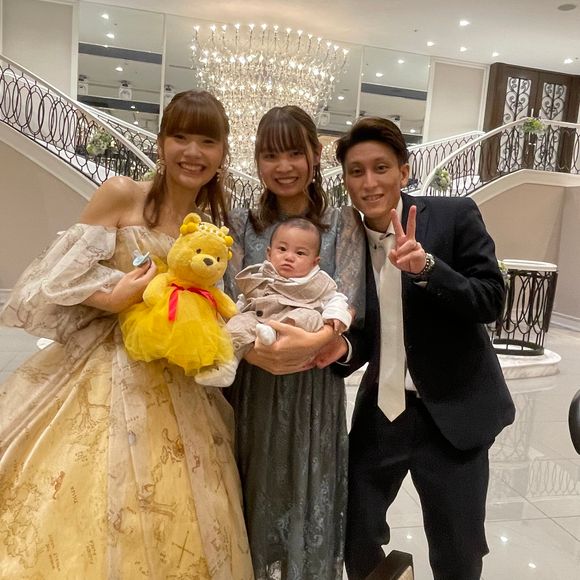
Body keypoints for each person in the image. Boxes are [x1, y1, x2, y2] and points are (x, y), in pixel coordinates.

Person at [0, 90, 254, 579]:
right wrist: (114, 296)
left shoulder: (208, 227)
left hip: (180, 379)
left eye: (207, 141)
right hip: (104, 366)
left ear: (222, 153)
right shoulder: (121, 193)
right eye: (180, 137)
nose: (192, 152)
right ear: (161, 143)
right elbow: (55, 277)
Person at [332, 117, 516, 580]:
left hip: (454, 410)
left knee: (457, 552)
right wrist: (340, 351)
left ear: (404, 171)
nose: (369, 183)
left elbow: (490, 300)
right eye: (356, 171)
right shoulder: (346, 241)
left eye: (381, 168)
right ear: (345, 180)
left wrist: (429, 268)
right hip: (384, 410)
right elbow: (368, 330)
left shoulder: (453, 215)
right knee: (354, 533)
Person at [225, 105, 365, 579]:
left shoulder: (342, 223)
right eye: (270, 155)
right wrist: (258, 352)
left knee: (309, 492)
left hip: (314, 388)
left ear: (315, 154)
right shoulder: (240, 223)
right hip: (252, 384)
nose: (283, 166)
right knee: (252, 486)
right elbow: (228, 299)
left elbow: (349, 299)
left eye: (293, 153)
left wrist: (310, 343)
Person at [197, 217, 351, 387]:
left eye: (300, 253)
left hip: (295, 329)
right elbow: (245, 299)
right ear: (269, 253)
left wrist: (335, 315)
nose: (289, 257)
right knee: (237, 325)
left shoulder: (318, 282)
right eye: (282, 249)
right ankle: (227, 366)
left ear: (315, 262)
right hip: (260, 322)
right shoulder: (261, 276)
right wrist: (236, 314)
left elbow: (337, 299)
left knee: (310, 317)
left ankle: (272, 333)